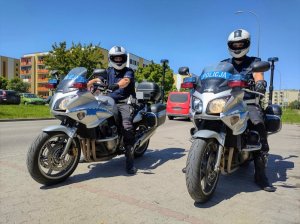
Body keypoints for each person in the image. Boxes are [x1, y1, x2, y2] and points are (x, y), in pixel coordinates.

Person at [222, 29, 276, 192]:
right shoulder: (224, 63)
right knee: (204, 118)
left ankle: (260, 175)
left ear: (246, 45)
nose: (237, 47)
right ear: (229, 46)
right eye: (234, 44)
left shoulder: (254, 62)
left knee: (257, 123)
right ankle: (199, 160)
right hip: (227, 102)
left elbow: (259, 75)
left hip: (248, 102)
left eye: (240, 44)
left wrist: (260, 83)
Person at [87, 46, 137, 175]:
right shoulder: (108, 71)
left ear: (124, 59)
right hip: (108, 101)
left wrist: (116, 85)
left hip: (124, 102)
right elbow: (98, 79)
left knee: (126, 126)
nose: (118, 60)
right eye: (116, 58)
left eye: (121, 58)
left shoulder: (128, 71)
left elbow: (126, 81)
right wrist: (84, 84)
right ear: (111, 59)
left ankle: (130, 161)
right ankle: (89, 151)